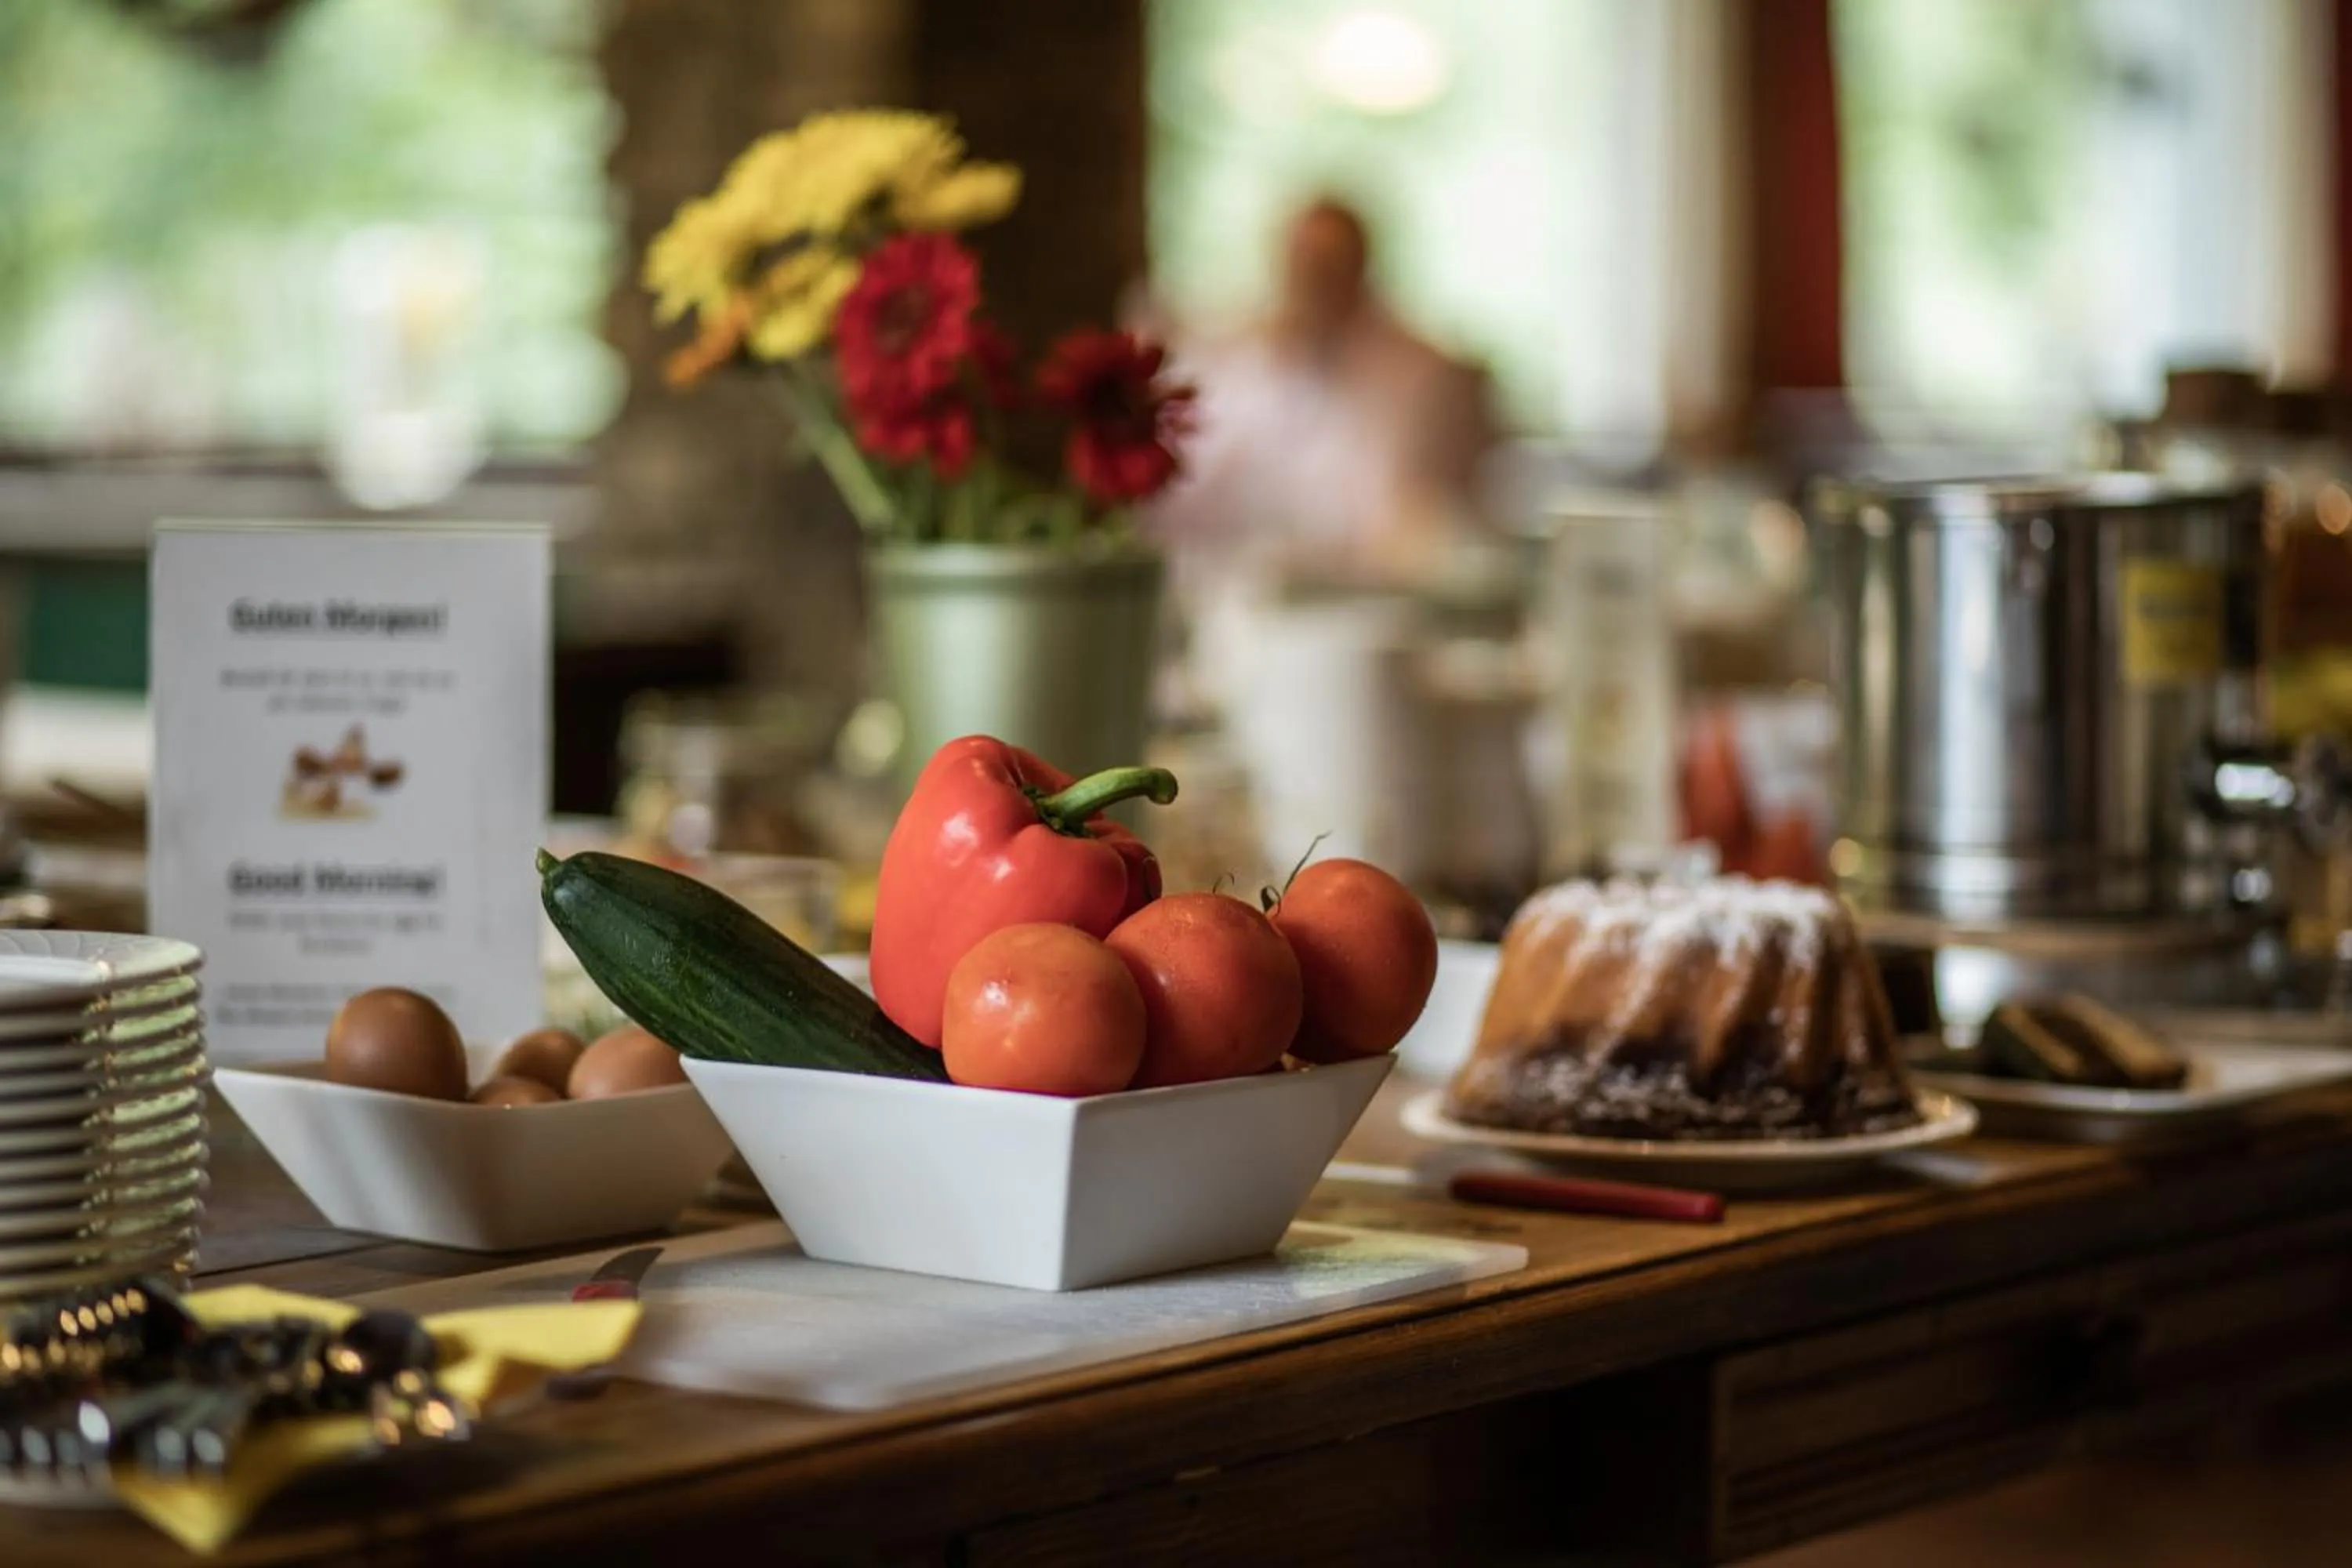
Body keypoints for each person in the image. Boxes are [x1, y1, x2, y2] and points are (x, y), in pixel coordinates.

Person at [1148, 198, 1499, 588]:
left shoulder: (1418, 375)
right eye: (1304, 266)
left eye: (1331, 268)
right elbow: (1195, 498)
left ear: (1361, 271)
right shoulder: (1247, 367)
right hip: (1250, 589)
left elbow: (1410, 518)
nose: (1314, 285)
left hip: (1368, 597)